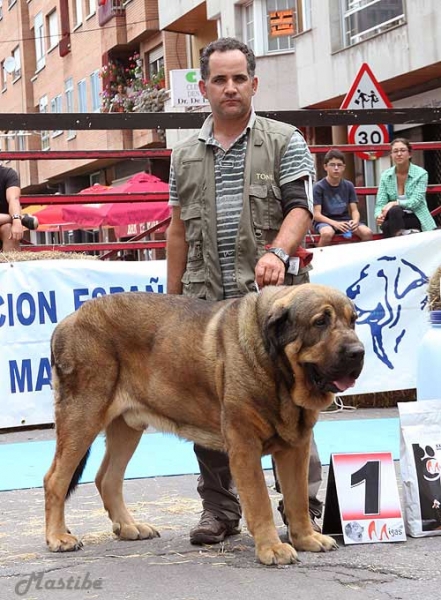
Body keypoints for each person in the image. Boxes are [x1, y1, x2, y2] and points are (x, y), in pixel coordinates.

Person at [166, 37, 323, 546]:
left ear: (254, 83)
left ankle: (305, 506)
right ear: (205, 88)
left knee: (297, 400)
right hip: (204, 301)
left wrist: (278, 252)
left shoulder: (285, 139)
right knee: (208, 406)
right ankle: (219, 509)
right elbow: (176, 229)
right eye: (220, 79)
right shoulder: (183, 154)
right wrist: (170, 301)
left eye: (239, 78)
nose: (230, 88)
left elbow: (300, 207)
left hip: (273, 308)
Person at [375, 137, 436, 237]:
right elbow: (380, 204)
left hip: (416, 215)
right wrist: (379, 216)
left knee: (391, 217)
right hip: (394, 217)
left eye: (402, 150)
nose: (399, 154)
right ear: (391, 155)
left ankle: (397, 245)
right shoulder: (385, 176)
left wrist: (394, 203)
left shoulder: (421, 173)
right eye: (395, 151)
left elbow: (415, 202)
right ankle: (402, 237)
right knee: (391, 215)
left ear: (410, 154)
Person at [313, 149, 373, 247]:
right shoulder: (318, 187)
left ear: (344, 167)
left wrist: (355, 221)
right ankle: (318, 259)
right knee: (327, 233)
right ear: (325, 167)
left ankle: (360, 258)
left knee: (367, 233)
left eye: (339, 165)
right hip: (325, 222)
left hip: (345, 220)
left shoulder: (348, 185)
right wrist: (335, 224)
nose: (336, 168)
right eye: (332, 165)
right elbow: (317, 215)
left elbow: (354, 210)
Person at [0, 164, 38, 251]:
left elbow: (14, 198)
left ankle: (12, 264)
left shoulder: (8, 173)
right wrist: (17, 218)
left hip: (2, 225)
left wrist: (16, 220)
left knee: (9, 229)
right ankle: (23, 218)